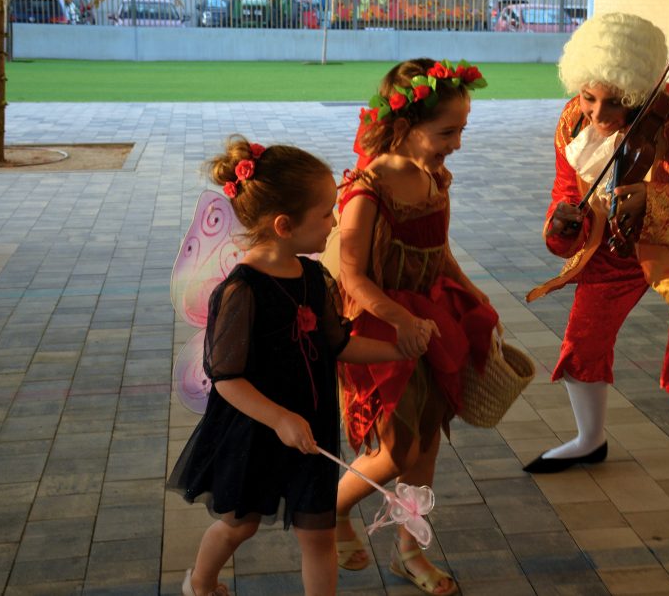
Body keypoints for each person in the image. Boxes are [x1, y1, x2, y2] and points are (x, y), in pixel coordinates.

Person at [523, 13, 669, 563]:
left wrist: (657, 203)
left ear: (644, 90)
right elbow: (567, 191)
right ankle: (590, 440)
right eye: (589, 98)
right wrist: (563, 223)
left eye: (616, 103)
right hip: (616, 234)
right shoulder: (573, 120)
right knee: (584, 336)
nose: (599, 116)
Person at [167, 137, 411, 596]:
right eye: (326, 213)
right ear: (284, 225)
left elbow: (337, 345)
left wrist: (397, 350)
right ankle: (200, 582)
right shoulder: (241, 292)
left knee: (318, 535)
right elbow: (227, 379)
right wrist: (279, 419)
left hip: (311, 430)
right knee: (239, 525)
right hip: (255, 431)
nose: (335, 221)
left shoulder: (315, 278)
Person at [334, 58, 496, 596]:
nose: (457, 144)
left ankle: (409, 550)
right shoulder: (368, 191)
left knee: (425, 444)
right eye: (447, 132)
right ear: (404, 126)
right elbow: (353, 276)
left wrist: (471, 291)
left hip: (429, 326)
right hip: (383, 331)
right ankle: (331, 507)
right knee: (395, 451)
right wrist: (401, 320)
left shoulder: (433, 177)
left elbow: (439, 252)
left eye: (462, 130)